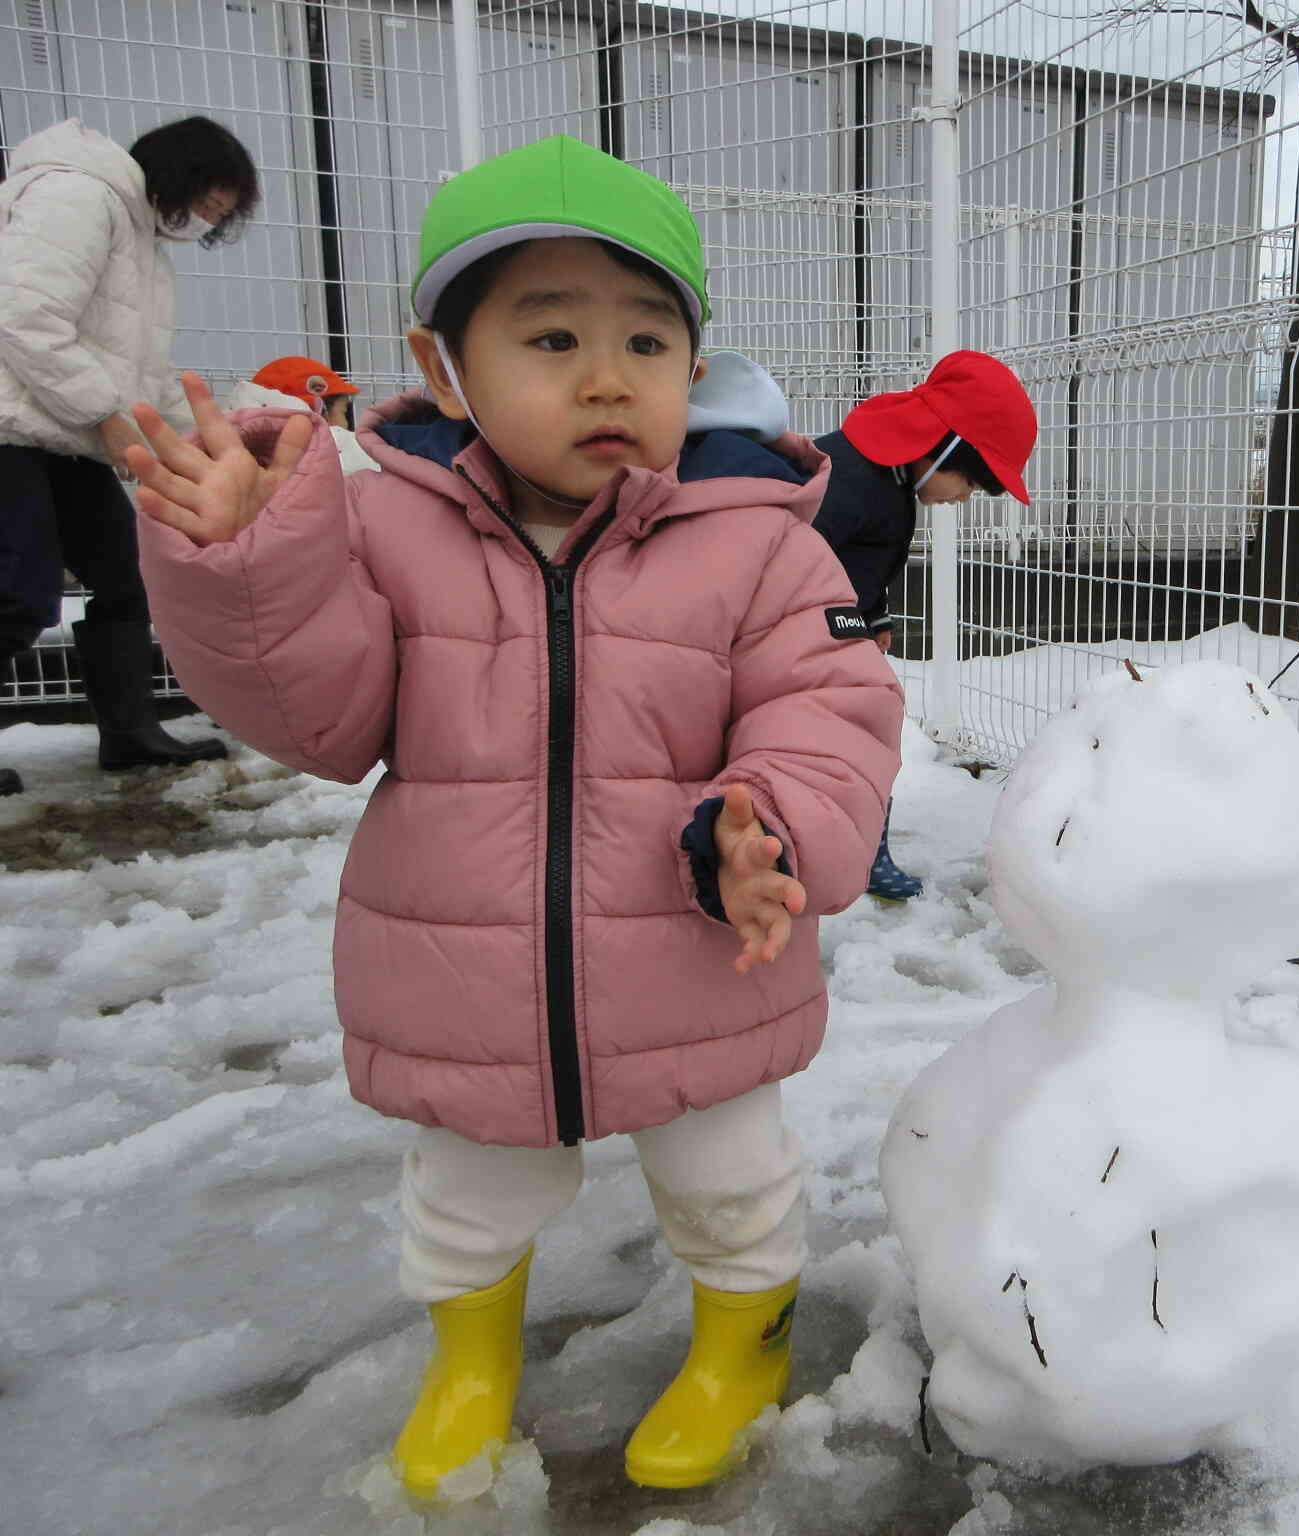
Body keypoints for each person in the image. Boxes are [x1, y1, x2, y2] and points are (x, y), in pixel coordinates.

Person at [123, 136, 902, 1498]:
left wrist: (765, 821)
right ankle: (470, 1360)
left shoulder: (761, 536)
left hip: (700, 954)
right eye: (550, 337)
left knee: (730, 1176)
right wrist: (254, 564)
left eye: (649, 341)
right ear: (444, 371)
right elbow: (323, 720)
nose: (607, 377)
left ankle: (743, 1342)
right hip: (463, 968)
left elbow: (831, 709)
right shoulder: (384, 530)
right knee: (467, 1199)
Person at [0, 115, 259, 796]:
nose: (205, 224)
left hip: (58, 429)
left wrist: (228, 437)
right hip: (9, 428)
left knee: (125, 577)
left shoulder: (142, 243)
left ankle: (128, 734)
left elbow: (136, 380)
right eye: (206, 206)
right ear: (178, 175)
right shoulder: (79, 196)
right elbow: (21, 316)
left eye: (218, 217)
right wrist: (108, 421)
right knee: (16, 593)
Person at [812, 350, 1036, 899]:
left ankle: (863, 846)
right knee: (834, 748)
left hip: (844, 635)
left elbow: (866, 560)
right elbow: (799, 566)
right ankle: (832, 849)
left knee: (875, 737)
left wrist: (875, 613)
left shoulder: (890, 479)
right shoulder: (845, 480)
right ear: (946, 448)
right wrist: (842, 627)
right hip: (807, 646)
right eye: (971, 483)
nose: (962, 499)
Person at [229, 356, 379, 474]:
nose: (346, 423)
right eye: (344, 412)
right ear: (319, 410)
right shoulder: (344, 459)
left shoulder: (232, 454)